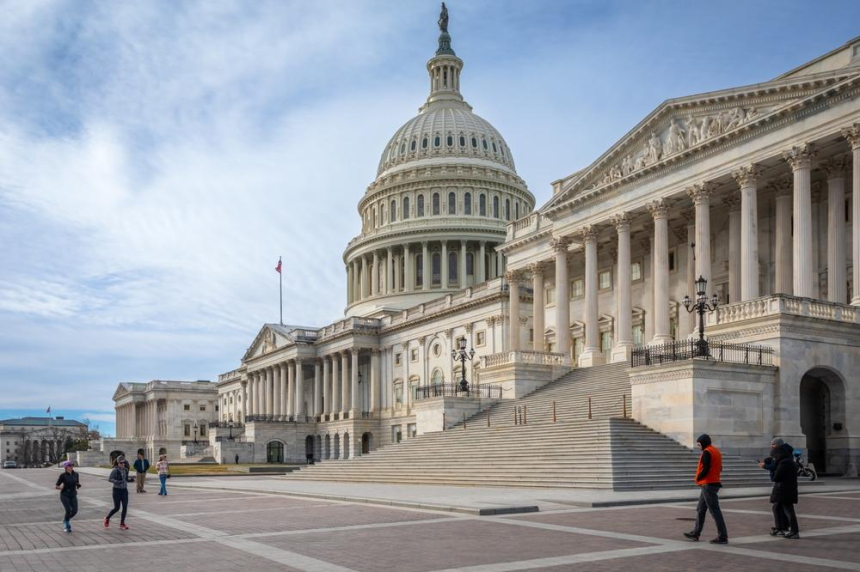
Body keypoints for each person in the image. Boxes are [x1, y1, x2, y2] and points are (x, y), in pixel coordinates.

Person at [683, 434, 729, 544]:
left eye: (699, 444)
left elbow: (706, 469)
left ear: (703, 443)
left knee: (715, 511)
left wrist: (698, 478)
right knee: (701, 509)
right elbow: (720, 468)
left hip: (708, 484)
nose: (698, 446)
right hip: (712, 483)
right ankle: (696, 533)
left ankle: (723, 537)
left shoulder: (707, 452)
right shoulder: (716, 451)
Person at [759, 438, 794, 536]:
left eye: (773, 444)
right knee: (781, 507)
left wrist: (766, 466)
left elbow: (776, 469)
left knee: (780, 508)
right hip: (784, 485)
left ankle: (785, 529)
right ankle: (784, 527)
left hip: (782, 486)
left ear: (779, 445)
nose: (771, 446)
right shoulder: (785, 453)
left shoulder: (782, 455)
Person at [771, 442, 801, 539]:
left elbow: (776, 477)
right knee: (778, 508)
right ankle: (783, 528)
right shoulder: (789, 461)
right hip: (787, 490)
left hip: (784, 491)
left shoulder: (784, 463)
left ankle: (794, 531)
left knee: (789, 511)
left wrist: (772, 468)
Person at [104, 455, 130, 530]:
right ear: (118, 463)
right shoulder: (115, 470)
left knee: (125, 507)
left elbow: (125, 479)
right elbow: (110, 479)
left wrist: (129, 480)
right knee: (117, 508)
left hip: (124, 491)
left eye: (123, 463)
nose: (122, 464)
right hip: (117, 490)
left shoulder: (125, 470)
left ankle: (122, 523)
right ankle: (107, 518)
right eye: (121, 463)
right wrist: (117, 481)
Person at [55, 460, 81, 533]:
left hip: (73, 494)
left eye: (72, 465)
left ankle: (65, 519)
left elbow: (76, 482)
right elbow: (57, 486)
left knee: (75, 511)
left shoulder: (76, 474)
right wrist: (61, 487)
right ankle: (67, 525)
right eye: (70, 465)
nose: (71, 466)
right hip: (65, 495)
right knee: (68, 510)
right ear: (66, 467)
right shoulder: (63, 475)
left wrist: (78, 485)